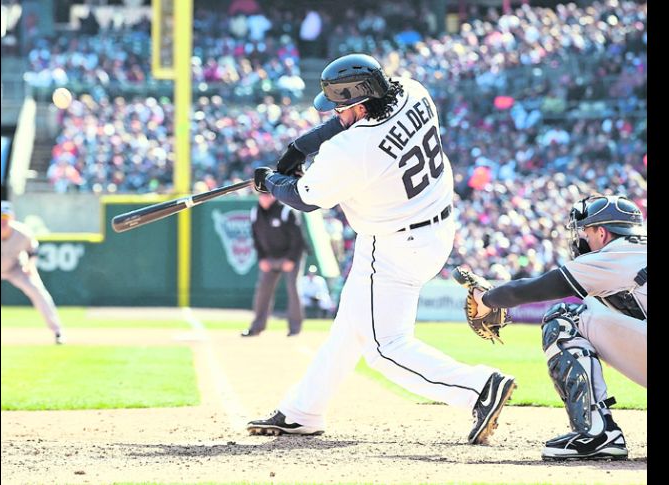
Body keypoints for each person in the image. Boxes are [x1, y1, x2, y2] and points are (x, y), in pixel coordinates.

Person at [247, 53, 516, 444]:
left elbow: (303, 197)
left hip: (393, 245)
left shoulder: (352, 150)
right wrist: (300, 147)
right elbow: (346, 122)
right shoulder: (412, 90)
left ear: (360, 105)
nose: (335, 113)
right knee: (351, 326)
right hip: (436, 225)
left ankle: (479, 388)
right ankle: (302, 411)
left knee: (384, 347)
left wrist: (271, 182)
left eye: (340, 105)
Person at [469, 194, 646, 460]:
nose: (583, 239)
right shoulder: (636, 252)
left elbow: (529, 289)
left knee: (564, 319)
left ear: (602, 232)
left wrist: (486, 299)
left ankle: (596, 433)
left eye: (586, 232)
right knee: (591, 312)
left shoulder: (616, 253)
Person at [242, 192, 308, 337]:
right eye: (262, 195)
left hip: (290, 257)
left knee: (293, 290)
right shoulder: (256, 212)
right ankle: (256, 327)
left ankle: (295, 329)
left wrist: (291, 259)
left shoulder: (286, 211)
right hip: (270, 257)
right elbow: (255, 238)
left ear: (273, 196)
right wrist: (262, 258)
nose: (264, 198)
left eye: (267, 195)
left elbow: (298, 239)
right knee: (262, 291)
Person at [0, 201, 64, 344]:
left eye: (5, 217)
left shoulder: (22, 233)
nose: (2, 222)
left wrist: (30, 265)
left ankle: (57, 331)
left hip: (15, 267)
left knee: (37, 290)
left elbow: (33, 251)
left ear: (12, 218)